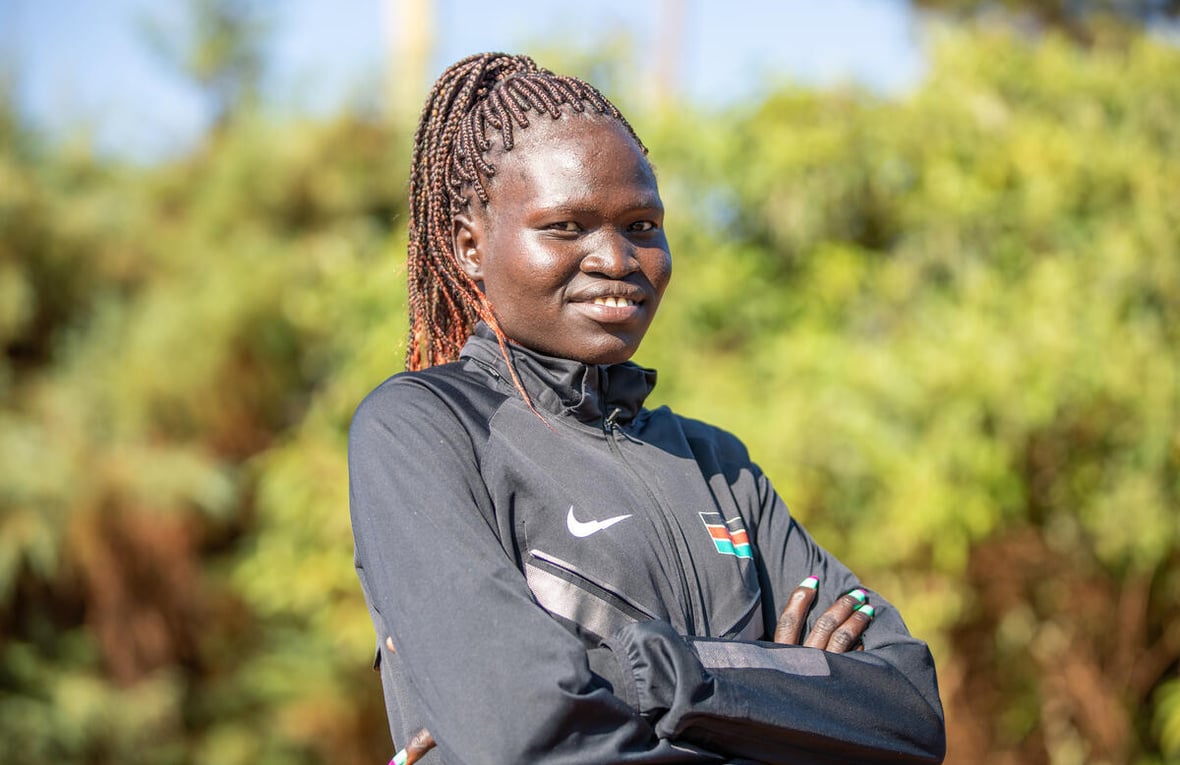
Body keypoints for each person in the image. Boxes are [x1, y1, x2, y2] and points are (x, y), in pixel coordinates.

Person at [349, 52, 946, 765]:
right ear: (469, 247)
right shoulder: (424, 429)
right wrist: (771, 697)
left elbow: (907, 709)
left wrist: (645, 673)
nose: (617, 259)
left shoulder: (717, 465)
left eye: (640, 225)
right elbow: (528, 734)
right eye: (566, 227)